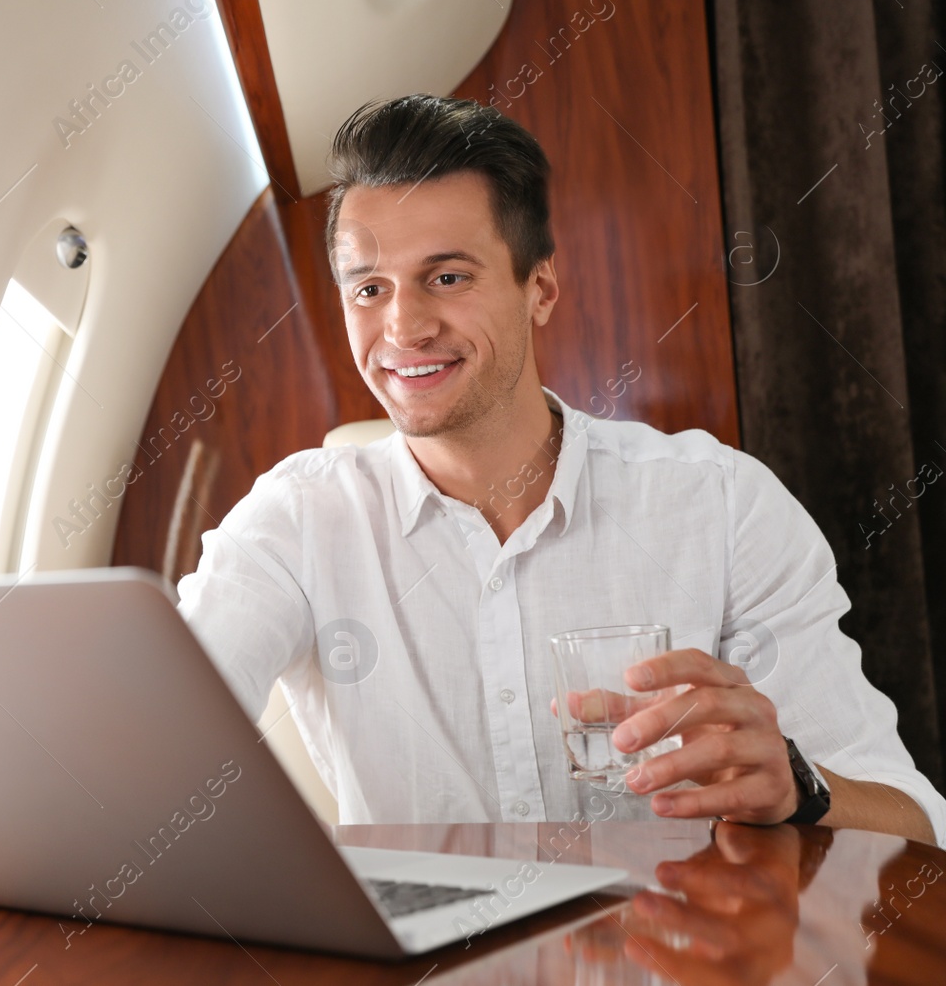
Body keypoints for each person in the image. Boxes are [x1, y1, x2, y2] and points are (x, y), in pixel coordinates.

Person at [175, 95, 944, 845]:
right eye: (369, 289)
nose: (403, 326)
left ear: (539, 287)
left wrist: (798, 787)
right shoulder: (290, 525)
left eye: (448, 277)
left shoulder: (724, 505)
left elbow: (919, 824)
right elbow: (154, 751)